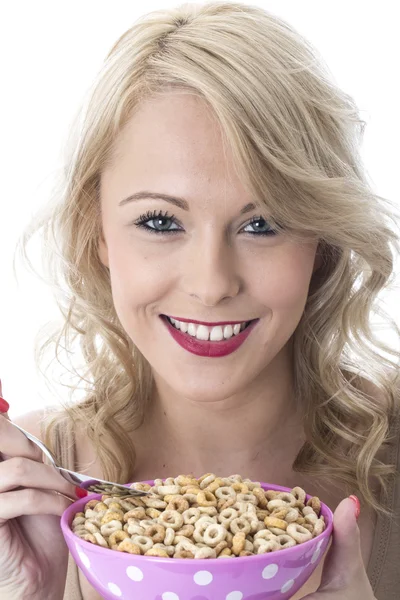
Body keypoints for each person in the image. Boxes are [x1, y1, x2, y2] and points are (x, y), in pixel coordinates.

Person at [1, 1, 400, 599]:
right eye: (161, 222)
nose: (211, 283)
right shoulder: (26, 490)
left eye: (262, 223)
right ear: (97, 231)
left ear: (321, 242)